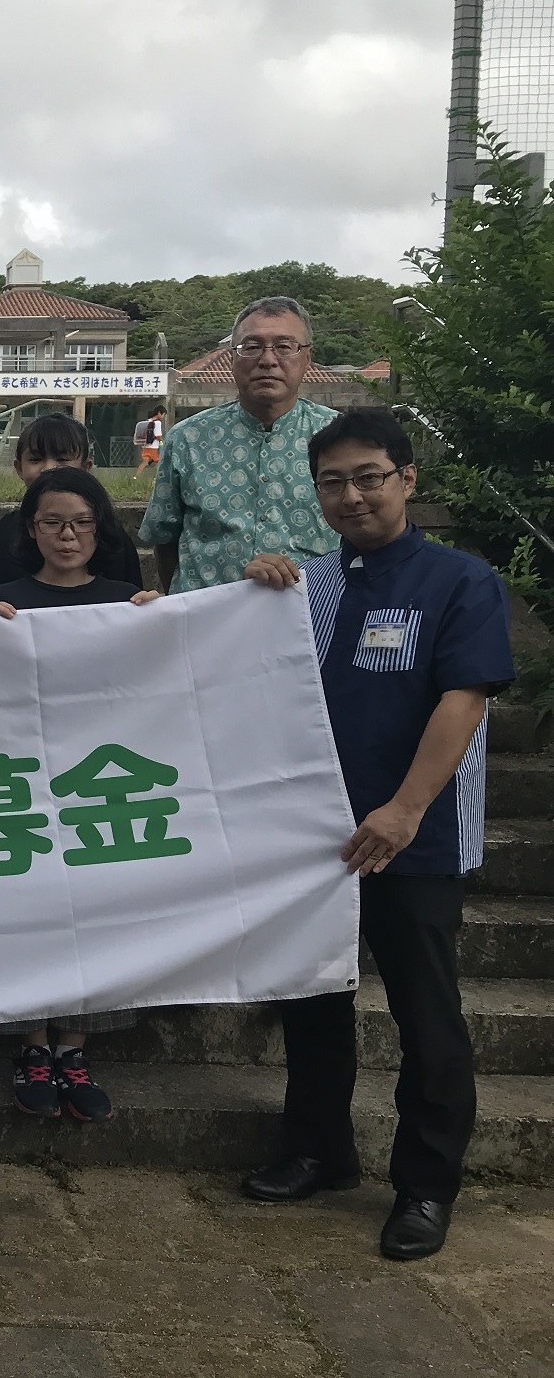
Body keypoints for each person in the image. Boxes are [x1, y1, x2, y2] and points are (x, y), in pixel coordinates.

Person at [240, 408, 513, 1263]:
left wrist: (404, 809)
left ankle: (426, 1187)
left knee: (426, 1018)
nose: (352, 495)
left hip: (413, 839)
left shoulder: (460, 583)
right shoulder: (309, 586)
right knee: (315, 1004)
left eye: (369, 477)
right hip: (317, 837)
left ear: (407, 480)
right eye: (333, 481)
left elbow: (462, 699)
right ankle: (319, 1150)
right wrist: (251, 591)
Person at [0, 465, 163, 1121]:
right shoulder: (2, 597)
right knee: (32, 911)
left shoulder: (126, 599)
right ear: (31, 529)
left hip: (101, 785)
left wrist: (160, 623)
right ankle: (32, 1045)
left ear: (99, 530)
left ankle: (76, 1050)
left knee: (96, 912)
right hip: (23, 782)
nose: (68, 534)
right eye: (54, 522)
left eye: (82, 522)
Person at [139, 296, 338, 593]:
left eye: (284, 347)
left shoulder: (339, 437)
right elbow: (165, 539)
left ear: (307, 358)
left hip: (313, 620)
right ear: (232, 357)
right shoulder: (187, 439)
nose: (267, 360)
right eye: (252, 346)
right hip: (208, 625)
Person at [0, 412, 144, 613]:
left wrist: (150, 608)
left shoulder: (110, 537)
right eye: (36, 459)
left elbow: (132, 611)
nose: (48, 468)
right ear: (19, 467)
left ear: (86, 467)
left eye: (62, 459)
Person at [134, 405, 167, 471]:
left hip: (145, 446)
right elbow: (158, 436)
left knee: (144, 462)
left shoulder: (148, 421)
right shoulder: (157, 422)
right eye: (163, 415)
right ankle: (157, 478)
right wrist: (163, 441)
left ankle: (136, 477)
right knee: (160, 462)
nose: (163, 417)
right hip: (153, 447)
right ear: (159, 413)